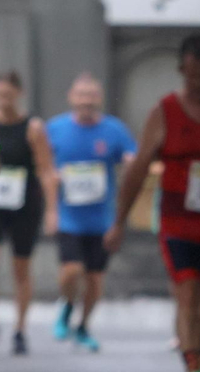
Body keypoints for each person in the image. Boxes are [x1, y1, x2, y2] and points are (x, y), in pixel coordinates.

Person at [108, 34, 200, 372]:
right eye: (191, 76)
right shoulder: (165, 112)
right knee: (187, 294)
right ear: (182, 71)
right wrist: (118, 220)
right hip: (178, 222)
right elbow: (137, 170)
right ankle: (193, 371)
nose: (198, 84)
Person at [0, 72, 57, 356]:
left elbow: (45, 169)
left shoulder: (32, 128)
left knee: (21, 267)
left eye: (8, 95)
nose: (3, 100)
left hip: (23, 203)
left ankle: (20, 329)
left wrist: (53, 209)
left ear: (19, 94)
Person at [45, 74, 136, 352]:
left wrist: (131, 165)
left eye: (91, 94)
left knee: (95, 279)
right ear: (71, 97)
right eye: (81, 94)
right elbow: (41, 167)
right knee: (72, 270)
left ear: (99, 98)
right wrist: (52, 184)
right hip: (68, 216)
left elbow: (133, 159)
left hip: (102, 219)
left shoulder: (114, 130)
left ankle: (83, 326)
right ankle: (67, 305)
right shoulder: (55, 128)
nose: (86, 100)